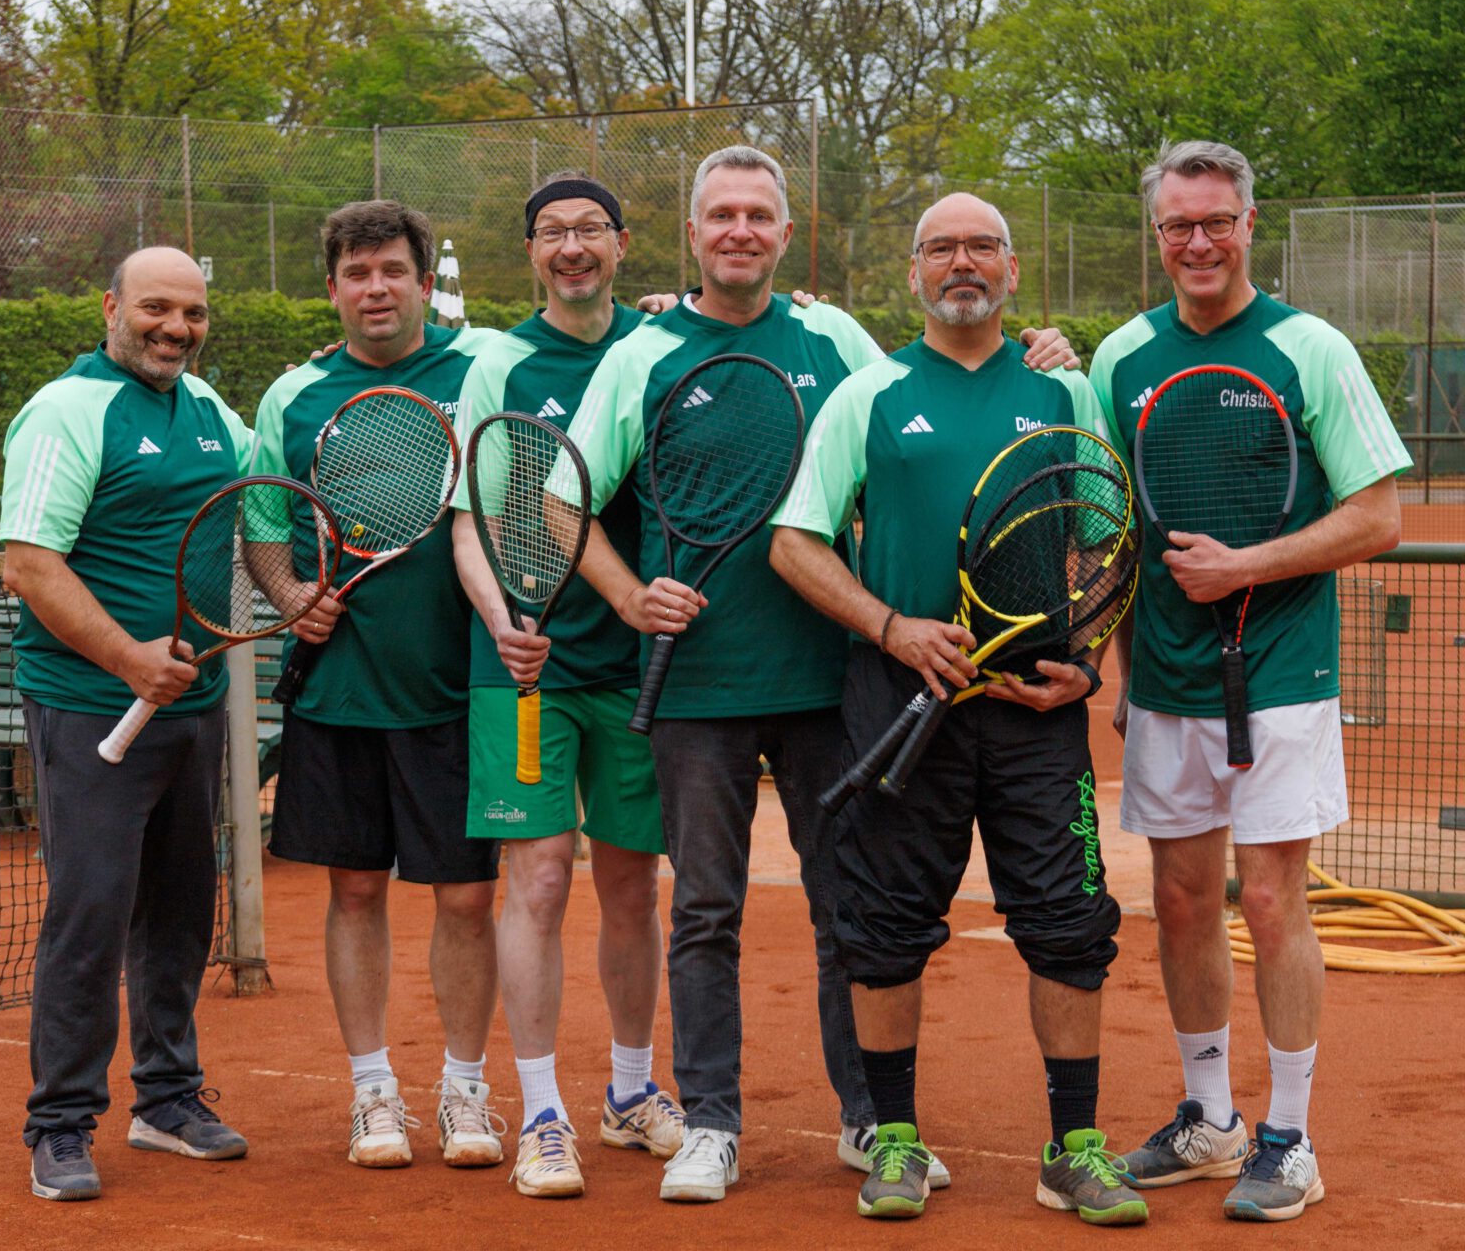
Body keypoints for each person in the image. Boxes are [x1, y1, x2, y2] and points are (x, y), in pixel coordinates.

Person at [565, 147, 1078, 1203]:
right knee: (705, 908)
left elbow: (928, 380)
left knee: (848, 904)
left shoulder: (835, 340)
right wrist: (627, 598)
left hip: (831, 686)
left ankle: (867, 1119)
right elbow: (564, 501)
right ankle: (711, 1121)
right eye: (722, 216)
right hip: (697, 690)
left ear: (786, 234)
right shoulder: (641, 352)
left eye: (759, 214)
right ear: (694, 233)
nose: (740, 231)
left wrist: (1037, 348)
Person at [769, 193, 1147, 1225]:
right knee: (883, 930)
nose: (963, 263)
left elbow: (1111, 541)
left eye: (982, 246)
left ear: (1013, 271)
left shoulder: (1065, 392)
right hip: (902, 701)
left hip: (1036, 708)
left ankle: (1075, 1148)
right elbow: (795, 541)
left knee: (1069, 927)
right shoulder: (870, 395)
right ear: (914, 274)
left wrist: (1087, 656)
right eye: (942, 248)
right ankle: (893, 1138)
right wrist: (892, 628)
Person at [1089, 141, 1407, 1223]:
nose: (1198, 242)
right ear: (1156, 234)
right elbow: (1116, 527)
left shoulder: (1309, 348)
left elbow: (1379, 516)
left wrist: (1248, 567)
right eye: (1179, 225)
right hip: (1168, 682)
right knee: (1179, 901)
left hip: (1281, 674)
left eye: (1216, 221)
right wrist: (1126, 673)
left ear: (1249, 224)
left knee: (1269, 901)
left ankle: (1291, 1137)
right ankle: (1211, 1118)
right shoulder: (1119, 358)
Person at [1, 247, 256, 1201]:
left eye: (191, 313)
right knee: (90, 916)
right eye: (155, 308)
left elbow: (257, 511)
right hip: (86, 711)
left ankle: (167, 1100)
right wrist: (126, 660)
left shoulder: (211, 413)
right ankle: (60, 1123)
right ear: (112, 307)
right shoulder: (69, 411)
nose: (174, 328)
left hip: (190, 711)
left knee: (184, 913)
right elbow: (29, 563)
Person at [254, 201, 502, 1172]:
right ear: (332, 287)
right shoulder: (295, 395)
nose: (375, 289)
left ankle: (466, 1092)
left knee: (467, 904)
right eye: (356, 274)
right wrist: (288, 593)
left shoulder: (481, 368)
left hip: (456, 692)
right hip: (338, 696)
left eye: (392, 270)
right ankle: (372, 1094)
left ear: (421, 277)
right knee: (353, 891)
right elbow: (267, 526)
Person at [448, 172, 683, 1197]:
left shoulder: (667, 348)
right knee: (537, 881)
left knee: (633, 885)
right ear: (532, 252)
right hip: (526, 673)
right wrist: (504, 623)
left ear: (624, 245)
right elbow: (469, 520)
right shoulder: (496, 362)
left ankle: (631, 1092)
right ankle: (542, 1110)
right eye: (553, 232)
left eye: (591, 229)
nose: (574, 246)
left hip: (644, 669)